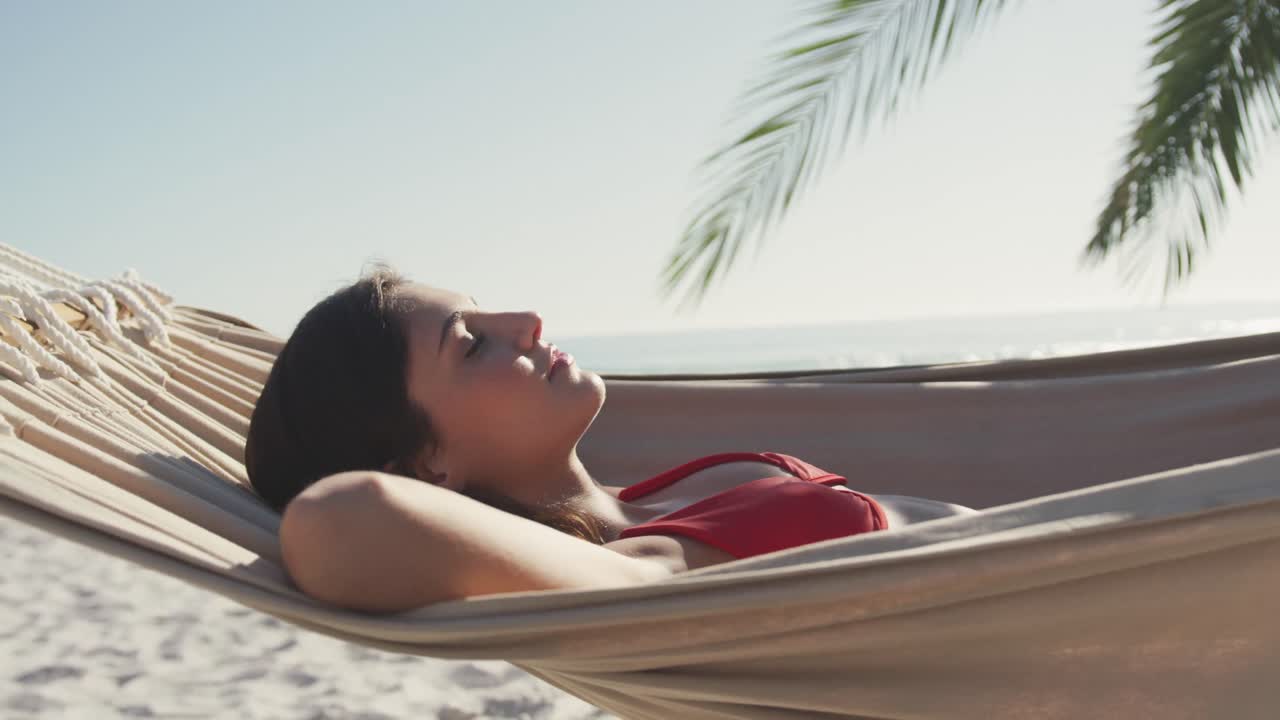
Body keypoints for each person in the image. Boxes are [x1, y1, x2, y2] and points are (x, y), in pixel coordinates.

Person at [245, 265, 976, 613]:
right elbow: (334, 523)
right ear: (424, 464)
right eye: (471, 345)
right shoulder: (628, 574)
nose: (526, 318)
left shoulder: (643, 499)